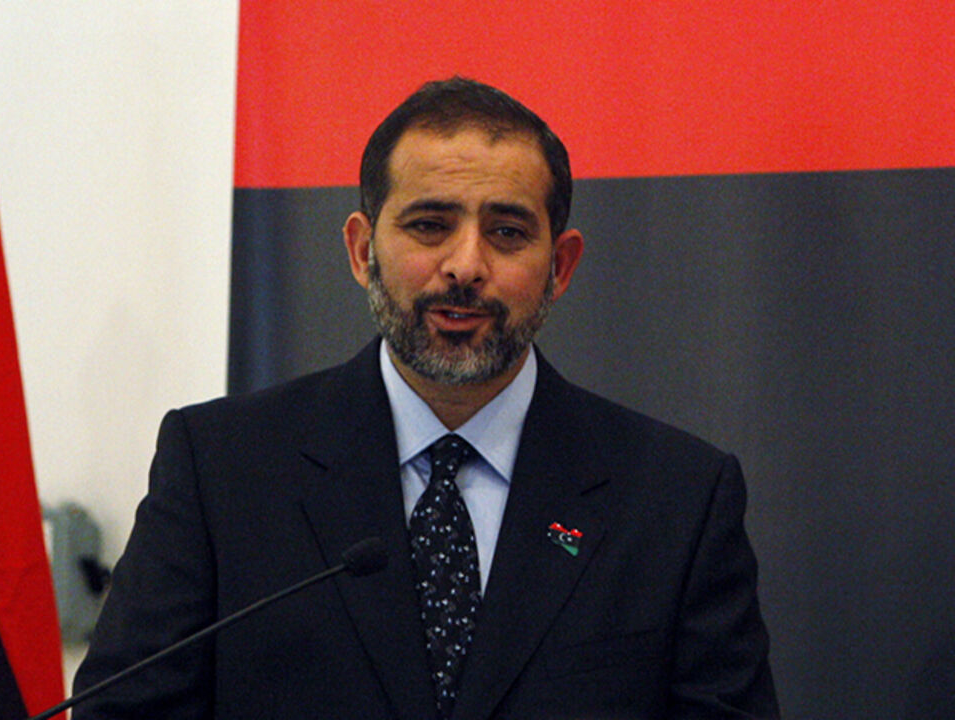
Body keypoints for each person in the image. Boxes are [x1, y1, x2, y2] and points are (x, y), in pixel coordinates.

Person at [73, 77, 779, 719]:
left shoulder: (675, 499)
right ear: (361, 251)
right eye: (429, 225)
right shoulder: (222, 469)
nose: (465, 266)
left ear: (560, 266)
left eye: (506, 232)